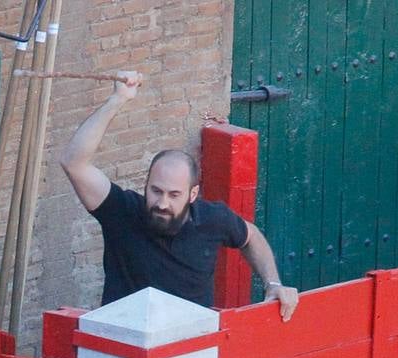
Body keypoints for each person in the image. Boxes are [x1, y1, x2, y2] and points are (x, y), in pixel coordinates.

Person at [60, 71, 300, 322]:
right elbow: (74, 163)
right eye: (156, 191)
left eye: (174, 194)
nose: (162, 203)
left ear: (193, 193)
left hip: (191, 346)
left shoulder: (212, 219)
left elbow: (251, 236)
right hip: (126, 346)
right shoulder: (122, 212)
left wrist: (273, 283)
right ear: (146, 184)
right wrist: (116, 100)